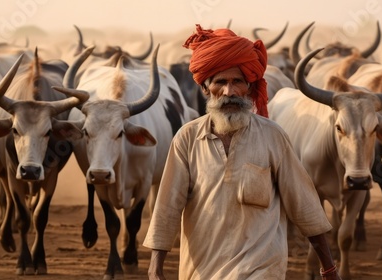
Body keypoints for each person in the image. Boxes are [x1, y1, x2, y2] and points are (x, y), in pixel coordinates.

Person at [143, 24, 341, 280]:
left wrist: (329, 267)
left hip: (262, 269)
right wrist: (155, 267)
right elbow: (168, 206)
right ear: (205, 88)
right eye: (220, 82)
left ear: (249, 87)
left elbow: (304, 204)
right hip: (202, 270)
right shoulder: (187, 138)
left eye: (237, 82)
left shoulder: (273, 136)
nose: (229, 92)